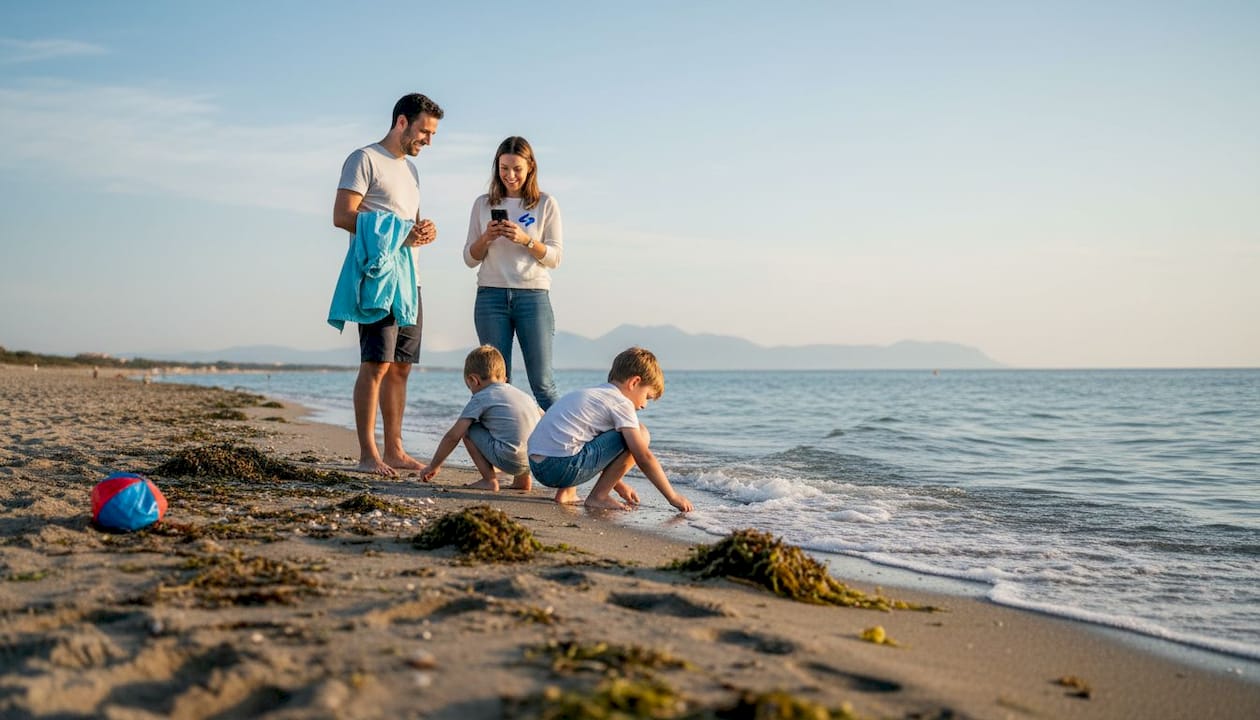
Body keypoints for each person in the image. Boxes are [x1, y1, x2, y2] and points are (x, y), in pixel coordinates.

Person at [332, 93, 444, 476]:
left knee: (401, 367)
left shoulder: (412, 171)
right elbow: (343, 215)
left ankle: (395, 449)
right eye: (424, 132)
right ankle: (368, 454)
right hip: (378, 277)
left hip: (411, 278)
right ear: (401, 122)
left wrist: (423, 229)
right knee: (376, 363)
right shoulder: (363, 159)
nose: (428, 140)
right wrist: (400, 232)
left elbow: (406, 222)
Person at [463, 137, 564, 410]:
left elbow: (555, 258)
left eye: (517, 168)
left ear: (530, 167)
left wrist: (526, 240)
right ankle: (502, 446)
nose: (510, 175)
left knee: (542, 382)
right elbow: (469, 259)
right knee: (494, 382)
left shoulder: (545, 203)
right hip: (490, 297)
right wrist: (486, 238)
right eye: (504, 168)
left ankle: (564, 446)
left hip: (533, 297)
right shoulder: (483, 204)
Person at [527, 347, 693, 512]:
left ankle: (568, 493)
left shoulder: (594, 394)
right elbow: (643, 456)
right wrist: (672, 496)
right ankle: (598, 497)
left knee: (582, 435)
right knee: (640, 433)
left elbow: (587, 446)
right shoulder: (621, 403)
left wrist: (618, 485)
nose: (644, 405)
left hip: (537, 466)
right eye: (647, 396)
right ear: (634, 382)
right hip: (561, 467)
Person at [419, 345, 541, 491]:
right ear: (504, 378)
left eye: (469, 387)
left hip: (510, 461)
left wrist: (434, 466)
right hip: (535, 461)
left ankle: (489, 480)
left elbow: (453, 436)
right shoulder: (523, 396)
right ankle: (523, 481)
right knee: (522, 429)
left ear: (473, 380)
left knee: (468, 430)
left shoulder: (481, 397)